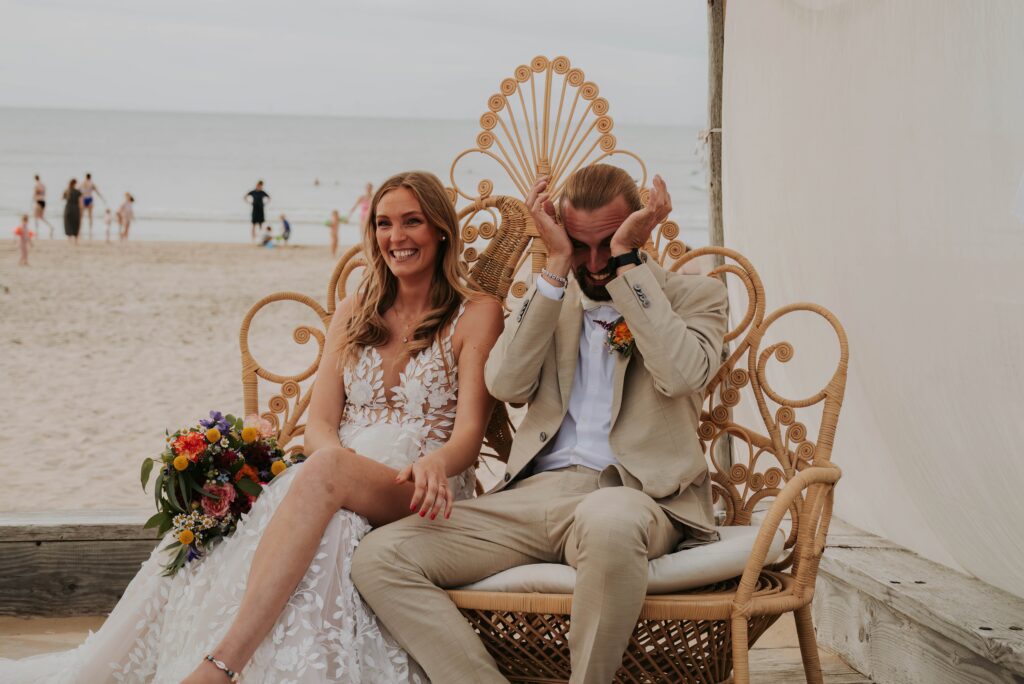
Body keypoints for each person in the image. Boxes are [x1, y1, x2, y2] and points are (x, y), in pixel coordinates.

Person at [0, 171, 504, 683]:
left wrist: (432, 464)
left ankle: (221, 666)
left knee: (322, 485)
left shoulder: (477, 312)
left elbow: (468, 435)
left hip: (417, 488)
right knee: (271, 524)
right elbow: (322, 425)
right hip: (333, 476)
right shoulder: (355, 310)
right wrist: (335, 469)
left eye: (412, 222)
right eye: (384, 224)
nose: (396, 237)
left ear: (440, 228)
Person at [352, 164, 729, 684]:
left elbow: (682, 375)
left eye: (609, 244)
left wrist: (627, 266)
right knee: (380, 557)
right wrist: (554, 266)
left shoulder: (696, 297)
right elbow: (506, 384)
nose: (593, 263)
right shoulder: (550, 295)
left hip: (636, 495)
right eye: (579, 245)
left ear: (637, 230)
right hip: (533, 496)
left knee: (610, 520)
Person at [80, 172, 106, 237]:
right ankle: (90, 229)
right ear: (90, 177)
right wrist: (102, 199)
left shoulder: (83, 183)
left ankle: (81, 229)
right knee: (90, 216)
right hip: (89, 199)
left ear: (86, 177)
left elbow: (79, 191)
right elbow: (97, 192)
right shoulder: (92, 184)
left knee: (82, 215)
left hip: (84, 199)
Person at [62, 178, 82, 244]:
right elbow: (80, 202)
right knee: (76, 223)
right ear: (75, 184)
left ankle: (69, 239)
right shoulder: (77, 192)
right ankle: (76, 240)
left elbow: (62, 198)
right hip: (75, 208)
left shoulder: (67, 191)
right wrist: (81, 211)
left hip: (68, 208)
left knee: (68, 223)